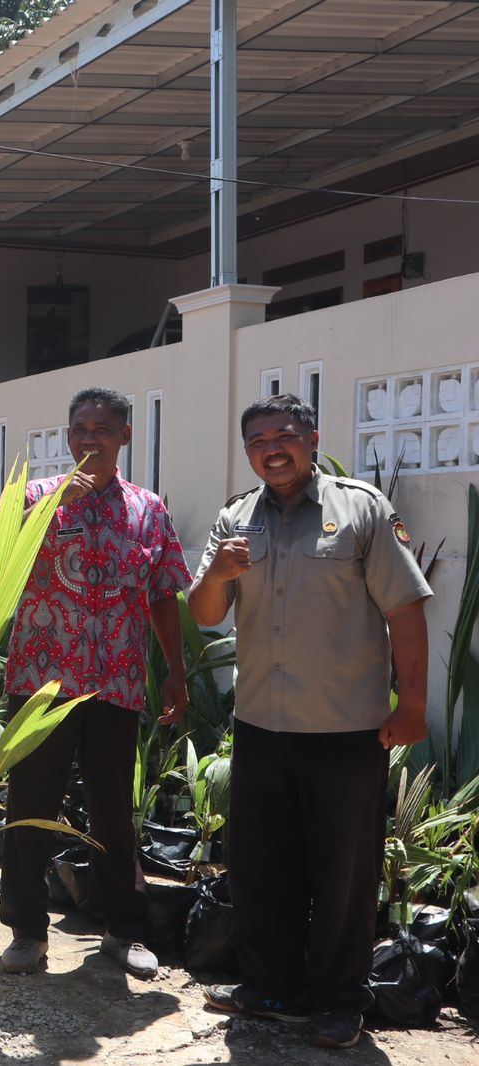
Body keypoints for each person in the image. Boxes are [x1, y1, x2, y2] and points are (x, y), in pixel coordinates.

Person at [188, 394, 431, 1050]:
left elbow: (405, 609)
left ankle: (338, 1001)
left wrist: (411, 705)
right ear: (247, 453)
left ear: (312, 438)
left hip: (346, 732)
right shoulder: (236, 518)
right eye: (259, 439)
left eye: (285, 435)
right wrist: (218, 570)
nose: (274, 447)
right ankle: (273, 989)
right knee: (262, 866)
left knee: (344, 874)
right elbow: (206, 612)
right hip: (262, 727)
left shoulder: (361, 510)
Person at [0, 386, 191, 980]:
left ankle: (123, 932)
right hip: (43, 683)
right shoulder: (34, 495)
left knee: (112, 812)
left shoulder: (148, 508)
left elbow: (162, 592)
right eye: (79, 428)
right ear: (67, 434)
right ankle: (27, 932)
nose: (88, 438)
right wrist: (43, 513)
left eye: (102, 428)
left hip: (117, 682)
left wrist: (174, 672)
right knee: (31, 805)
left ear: (124, 435)